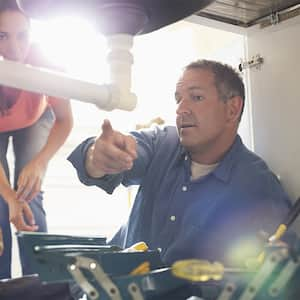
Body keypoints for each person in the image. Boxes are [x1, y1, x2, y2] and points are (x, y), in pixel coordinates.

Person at [68, 59, 291, 267]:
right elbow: (126, 152)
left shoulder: (257, 187)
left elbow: (280, 272)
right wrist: (97, 157)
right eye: (178, 99)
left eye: (196, 97)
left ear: (232, 109)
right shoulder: (161, 143)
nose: (180, 109)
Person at [0, 0, 73, 279]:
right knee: (1, 199)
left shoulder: (47, 65)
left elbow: (65, 120)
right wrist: (7, 196)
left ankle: (41, 285)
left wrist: (40, 163)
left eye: (22, 35)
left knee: (29, 191)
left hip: (34, 119)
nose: (15, 49)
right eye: (1, 36)